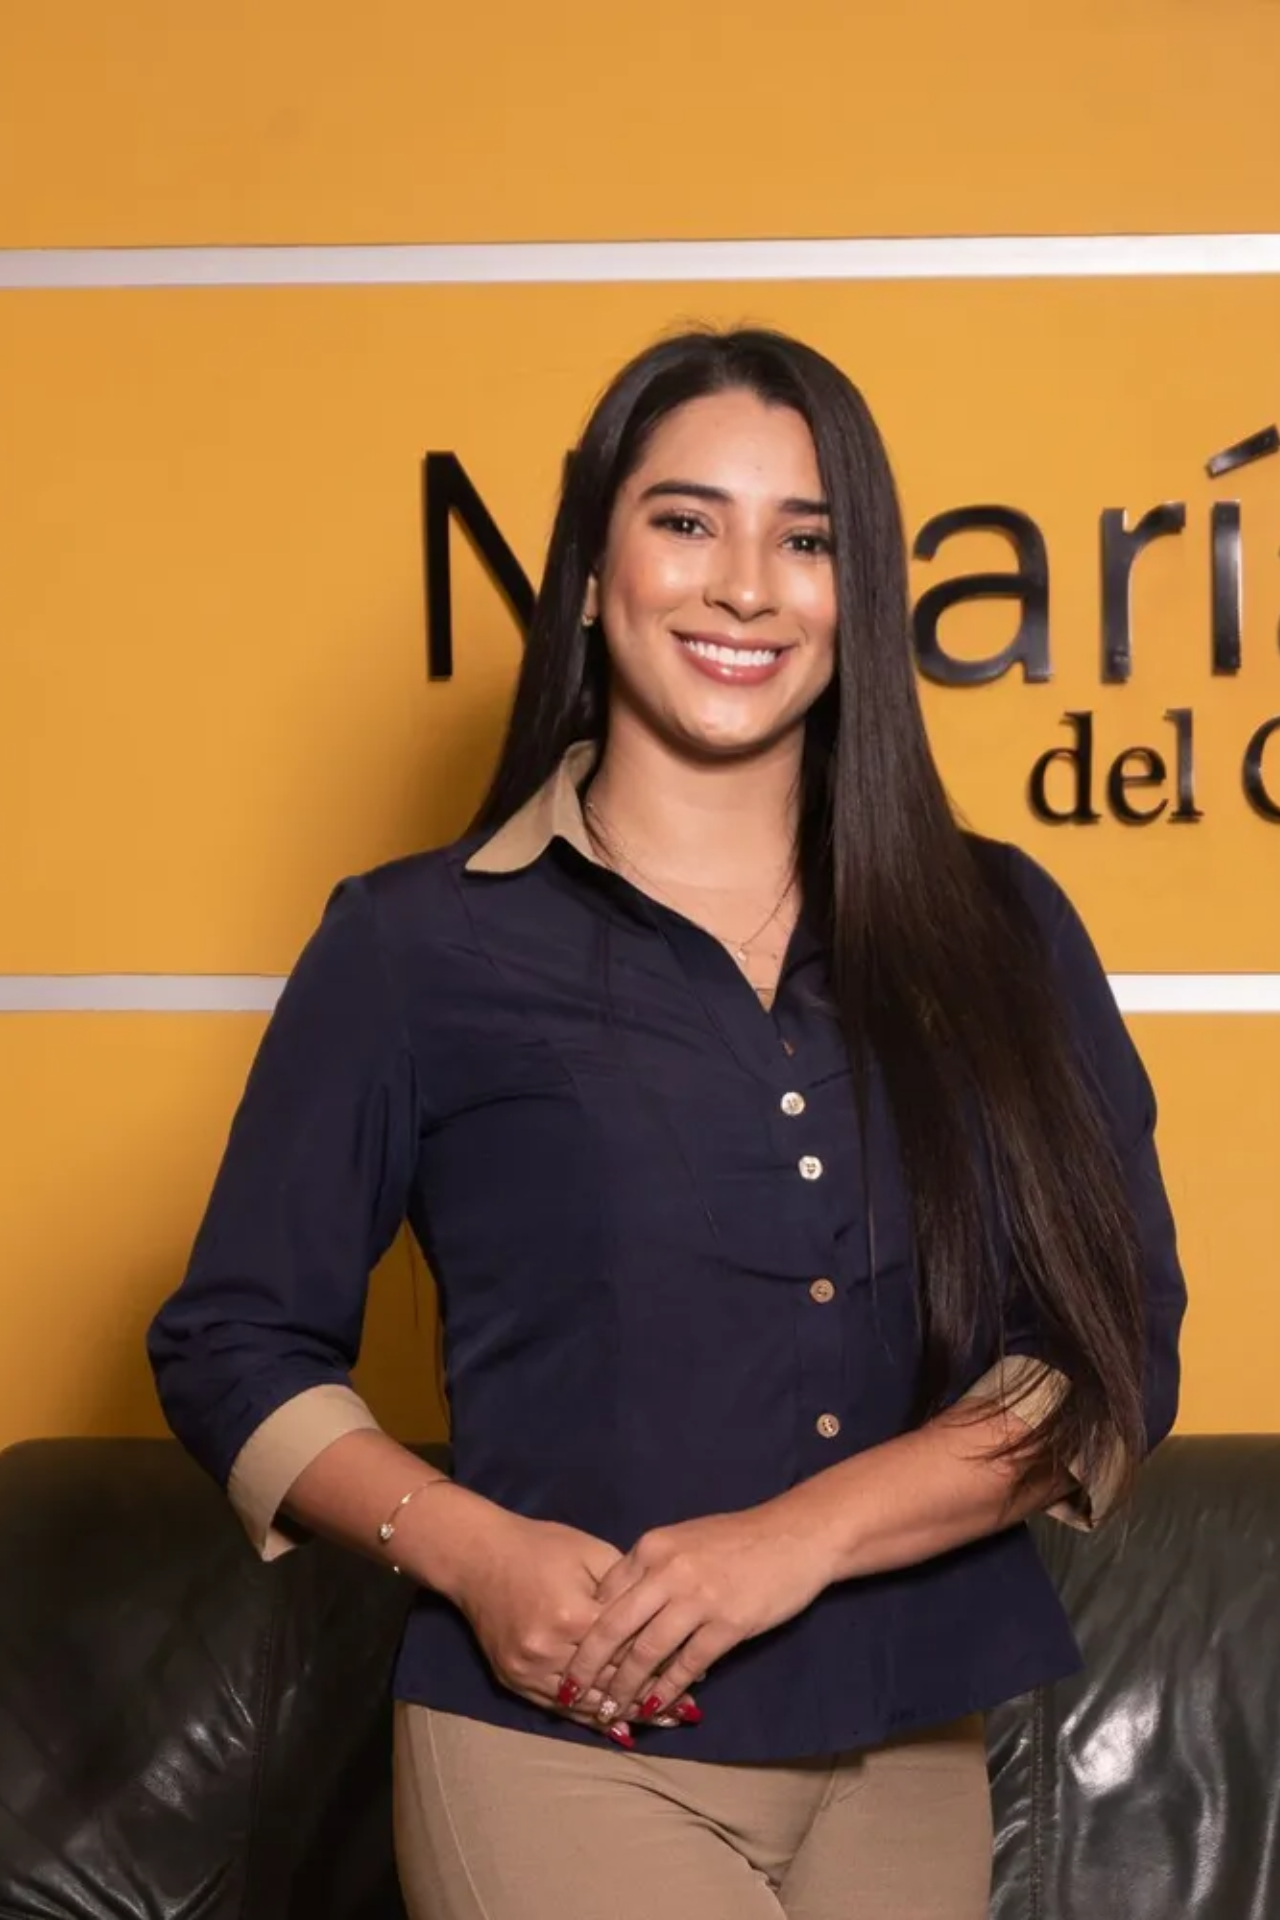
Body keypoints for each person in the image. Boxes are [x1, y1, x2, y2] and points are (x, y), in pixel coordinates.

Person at [148, 326, 1186, 1920]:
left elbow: (1110, 1349)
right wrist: (476, 1551)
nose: (746, 587)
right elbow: (232, 1342)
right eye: (688, 521)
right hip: (563, 1732)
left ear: (859, 593)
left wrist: (797, 1539)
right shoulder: (414, 945)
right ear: (589, 568)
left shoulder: (1001, 927)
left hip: (911, 1737)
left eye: (808, 539)